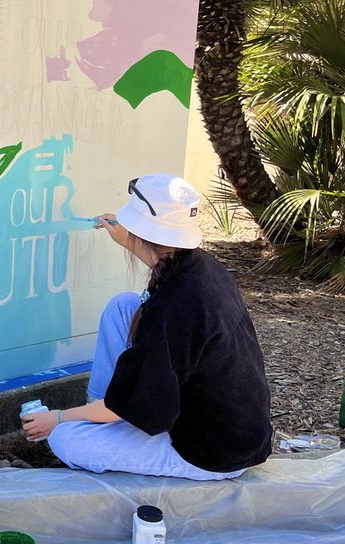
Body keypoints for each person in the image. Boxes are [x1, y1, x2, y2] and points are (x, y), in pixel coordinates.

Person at [22, 174, 272, 480]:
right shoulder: (201, 266)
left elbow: (136, 396)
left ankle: (100, 416)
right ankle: (99, 411)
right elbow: (160, 264)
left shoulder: (171, 308)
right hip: (233, 426)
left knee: (66, 438)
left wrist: (58, 418)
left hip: (211, 452)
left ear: (144, 233)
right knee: (122, 307)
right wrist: (128, 239)